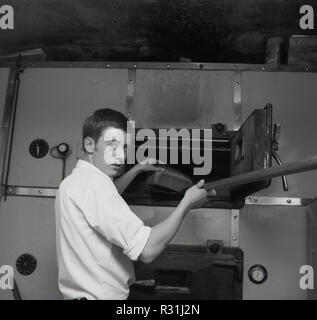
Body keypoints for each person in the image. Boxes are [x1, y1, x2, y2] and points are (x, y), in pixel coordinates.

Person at [55, 108, 209, 300]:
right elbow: (147, 250)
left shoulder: (74, 182)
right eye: (113, 145)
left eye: (125, 148)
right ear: (89, 144)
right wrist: (186, 204)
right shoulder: (95, 185)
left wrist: (137, 169)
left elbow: (106, 202)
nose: (120, 157)